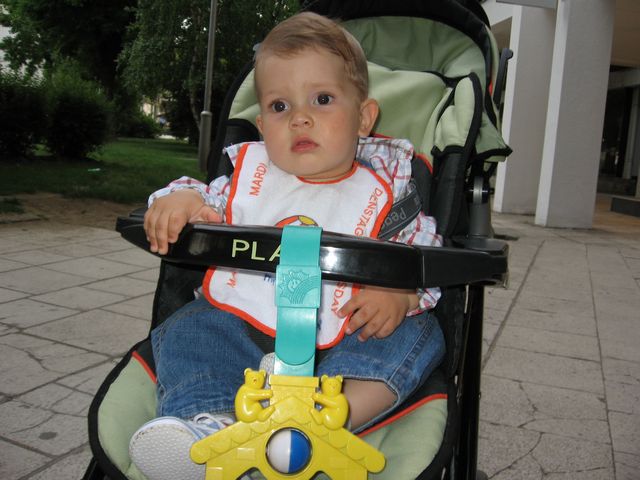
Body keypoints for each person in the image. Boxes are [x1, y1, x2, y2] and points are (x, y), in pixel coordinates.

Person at [129, 11, 445, 480]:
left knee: (419, 334)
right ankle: (211, 426)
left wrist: (399, 291)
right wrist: (180, 201)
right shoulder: (249, 178)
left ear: (363, 117)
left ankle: (329, 421)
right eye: (280, 106)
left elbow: (424, 250)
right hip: (241, 330)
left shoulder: (388, 189)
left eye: (322, 99)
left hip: (344, 344)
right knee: (189, 328)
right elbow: (203, 199)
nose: (300, 117)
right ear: (261, 125)